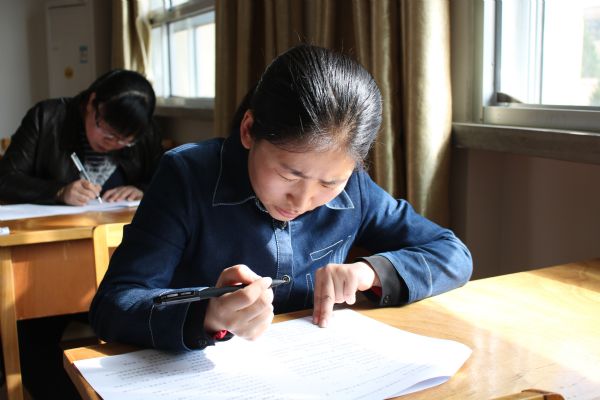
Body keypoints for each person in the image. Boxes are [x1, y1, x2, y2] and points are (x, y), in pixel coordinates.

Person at [90, 44, 472, 351]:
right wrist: (208, 314)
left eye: (329, 183)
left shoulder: (355, 188)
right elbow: (114, 304)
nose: (302, 200)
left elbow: (452, 253)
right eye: (290, 174)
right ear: (249, 129)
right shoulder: (186, 176)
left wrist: (369, 272)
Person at [0, 69, 164, 205]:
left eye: (125, 140)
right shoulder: (46, 118)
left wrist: (142, 190)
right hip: (54, 229)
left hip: (120, 229)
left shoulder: (145, 133)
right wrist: (59, 191)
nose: (112, 143)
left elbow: (164, 179)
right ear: (92, 102)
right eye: (108, 132)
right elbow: (5, 179)